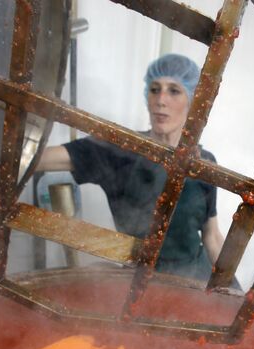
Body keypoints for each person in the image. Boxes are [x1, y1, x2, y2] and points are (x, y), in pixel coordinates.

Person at [36, 53, 224, 280]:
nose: (161, 99)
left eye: (174, 90)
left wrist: (231, 286)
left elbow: (212, 236)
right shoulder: (124, 148)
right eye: (155, 89)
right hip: (141, 282)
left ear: (192, 102)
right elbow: (37, 159)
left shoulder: (205, 161)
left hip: (196, 279)